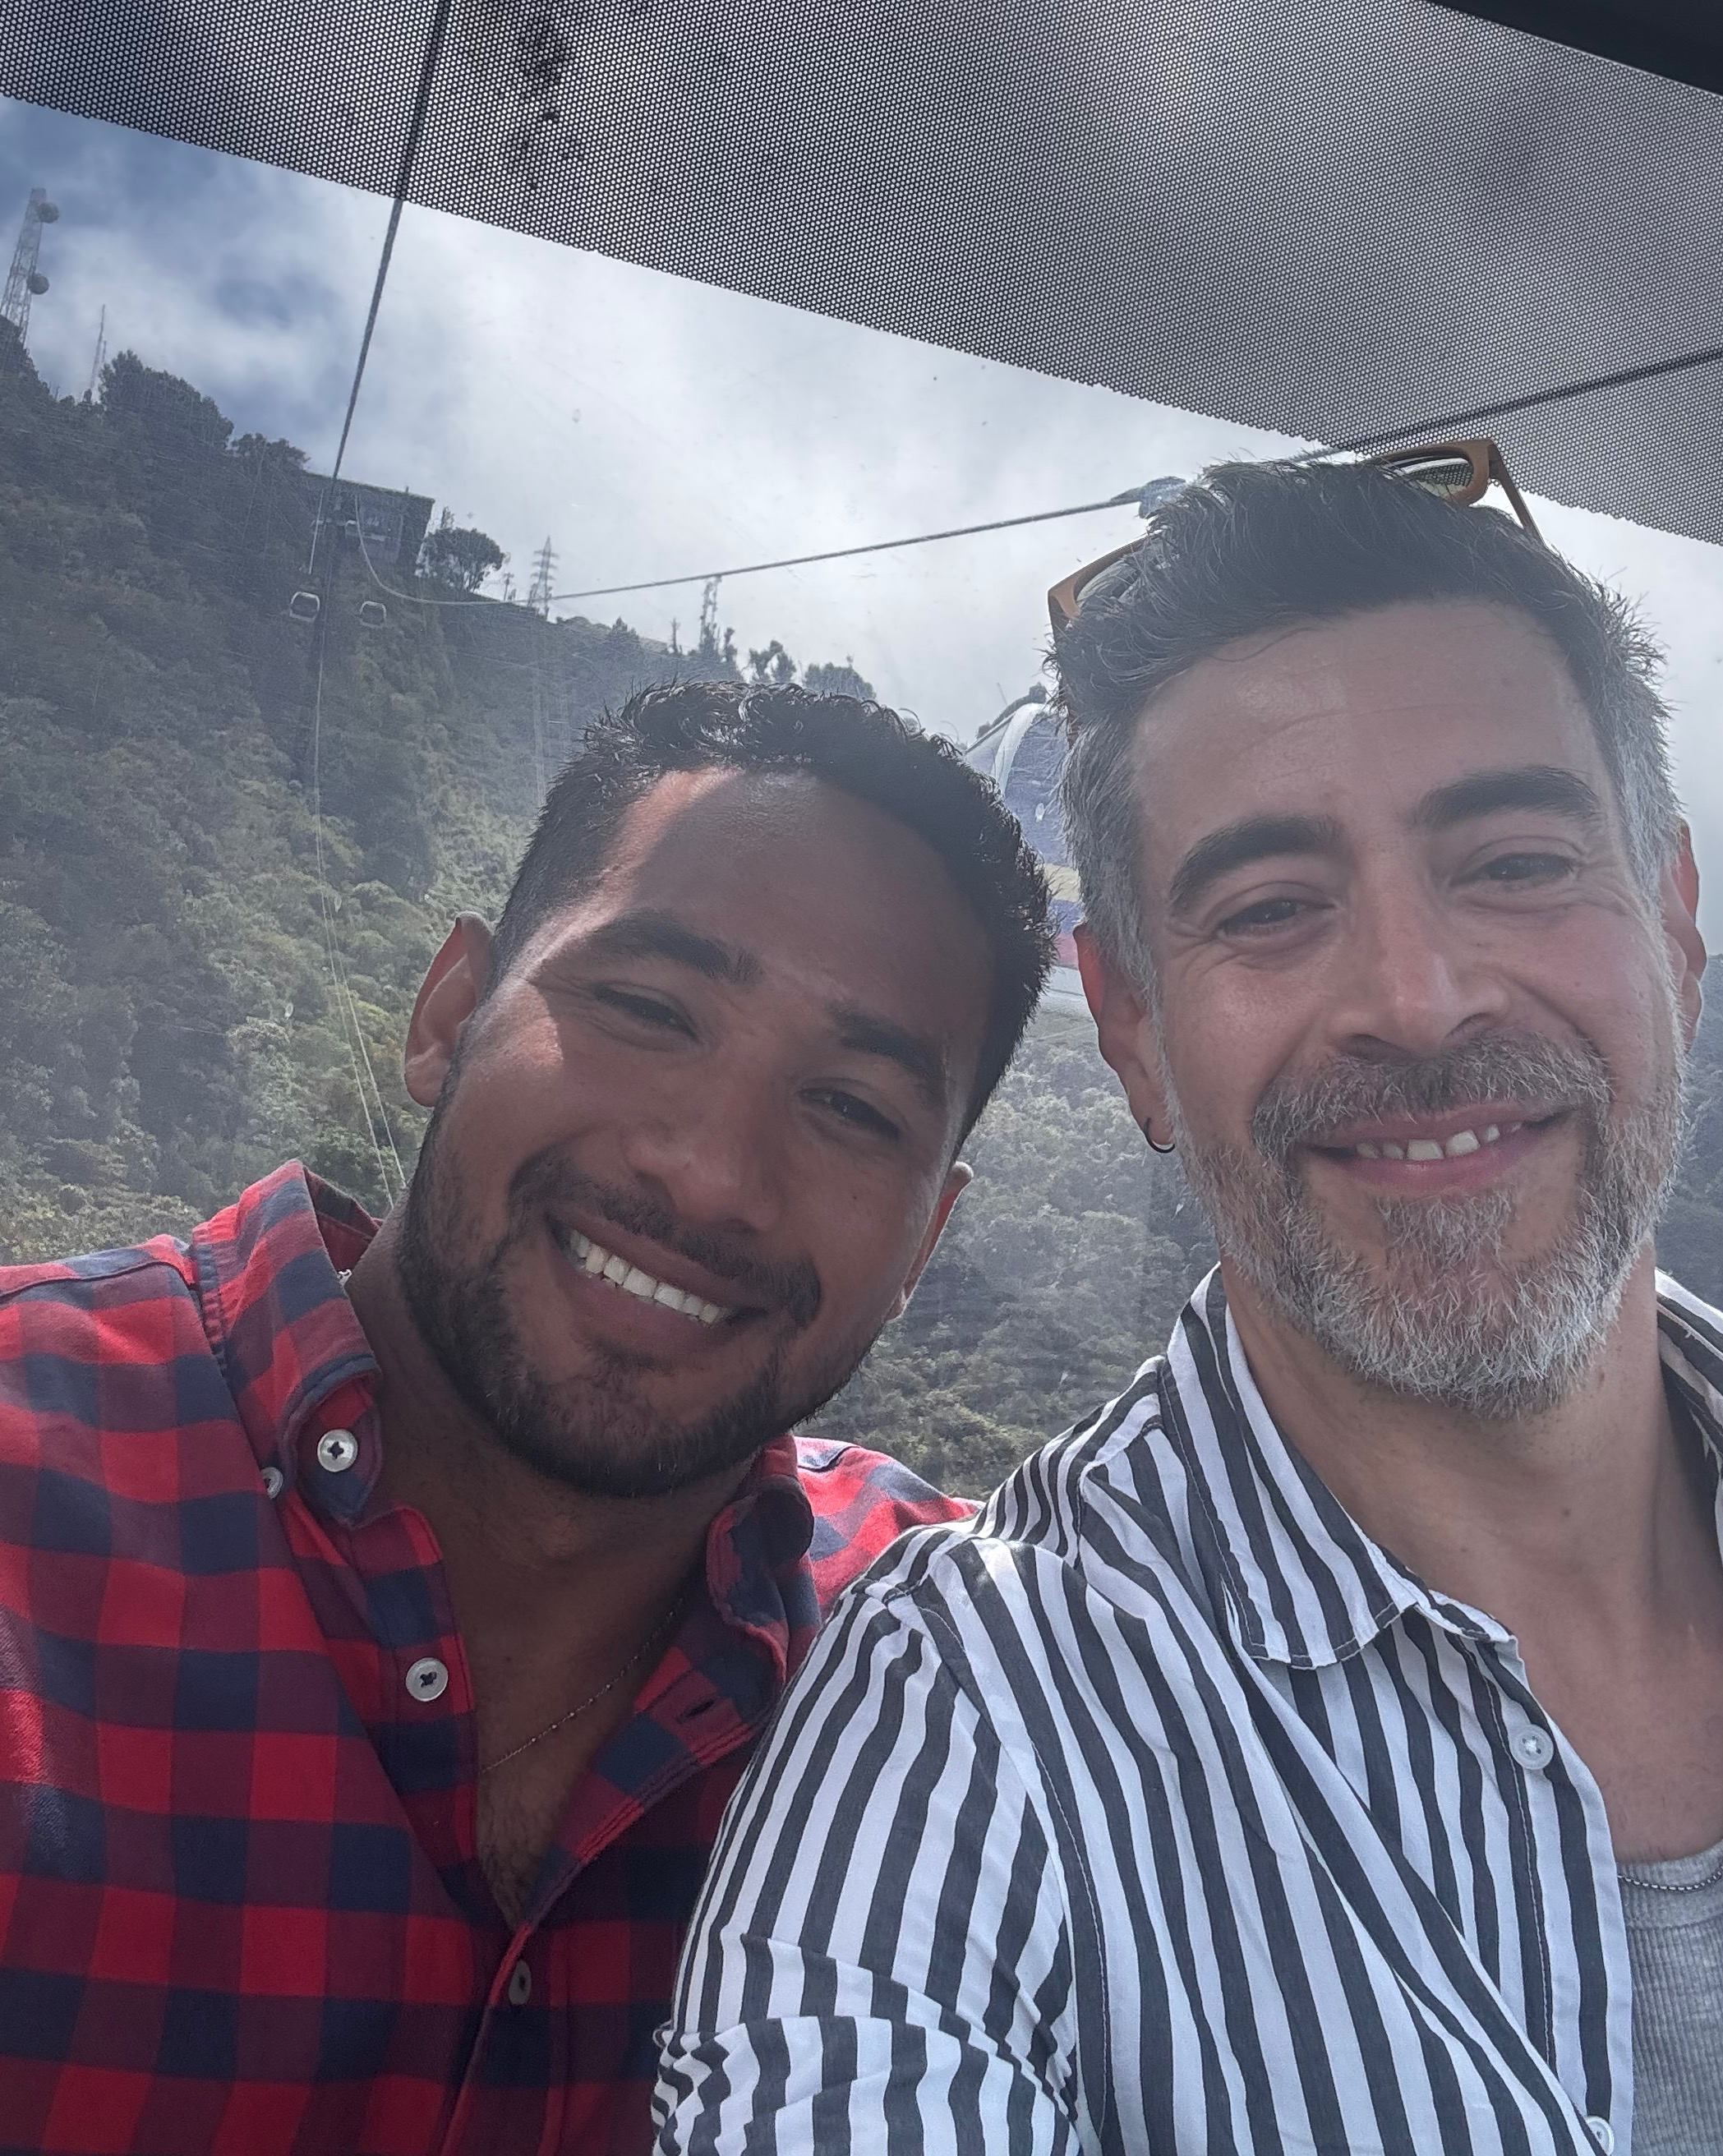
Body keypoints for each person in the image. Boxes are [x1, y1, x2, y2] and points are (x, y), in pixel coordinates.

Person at [656, 454, 1723, 2155]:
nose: (1417, 997)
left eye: (1516, 860)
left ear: (1676, 928)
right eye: (1268, 909)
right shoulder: (965, 1735)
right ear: (1135, 1033)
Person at [0, 680, 1051, 2156]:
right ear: (450, 1017)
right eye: (649, 1012)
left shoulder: (966, 1674)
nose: (713, 1176)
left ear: (925, 1240)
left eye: (855, 1109)